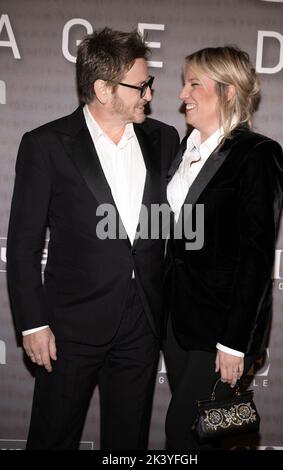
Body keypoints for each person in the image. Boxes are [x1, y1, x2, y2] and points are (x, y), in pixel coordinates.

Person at [6, 27, 179, 450]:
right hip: (69, 329)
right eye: (141, 85)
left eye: (149, 84)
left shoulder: (164, 138)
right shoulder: (46, 145)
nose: (149, 94)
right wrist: (33, 323)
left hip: (142, 325)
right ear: (103, 89)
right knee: (53, 437)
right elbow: (24, 244)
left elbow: (171, 231)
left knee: (127, 444)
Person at [163, 46, 283, 450]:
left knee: (185, 432)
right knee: (205, 435)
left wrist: (235, 343)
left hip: (222, 329)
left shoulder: (257, 154)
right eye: (185, 83)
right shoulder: (183, 150)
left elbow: (256, 255)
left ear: (228, 92)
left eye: (194, 83)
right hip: (178, 323)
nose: (183, 93)